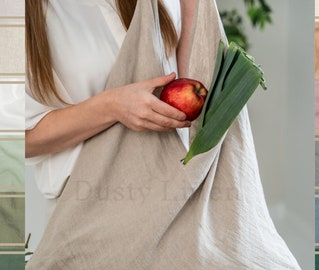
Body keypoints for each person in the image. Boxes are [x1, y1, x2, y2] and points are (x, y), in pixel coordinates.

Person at [26, 0, 301, 269]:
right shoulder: (24, 15)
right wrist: (112, 107)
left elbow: (196, 88)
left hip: (175, 194)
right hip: (91, 208)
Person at [26, 0, 194, 200]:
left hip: (179, 185)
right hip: (92, 202)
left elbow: (196, 76)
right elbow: (20, 139)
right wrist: (112, 107)